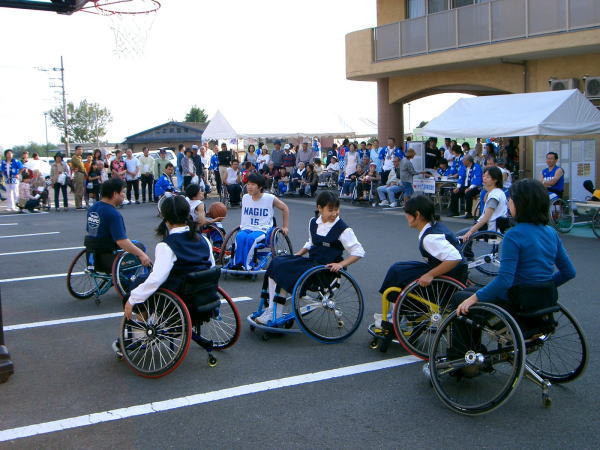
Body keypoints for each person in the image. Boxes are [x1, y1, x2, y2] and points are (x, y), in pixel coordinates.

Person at [451, 178, 575, 319]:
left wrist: (473, 299)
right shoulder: (551, 232)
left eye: (510, 199)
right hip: (545, 296)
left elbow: (505, 280)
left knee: (460, 298)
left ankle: (470, 341)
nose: (508, 202)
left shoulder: (514, 235)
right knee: (472, 290)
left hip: (518, 298)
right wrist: (544, 287)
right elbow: (569, 272)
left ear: (520, 204)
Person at [117, 195, 216, 356]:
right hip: (204, 295)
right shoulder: (204, 239)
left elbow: (157, 279)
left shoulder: (166, 245)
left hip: (179, 298)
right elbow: (211, 267)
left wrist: (132, 299)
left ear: (164, 217)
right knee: (146, 283)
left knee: (138, 285)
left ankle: (140, 334)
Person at [256, 191, 364, 324]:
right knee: (277, 262)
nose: (335, 213)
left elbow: (358, 251)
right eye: (330, 210)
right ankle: (272, 309)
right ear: (319, 208)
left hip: (325, 270)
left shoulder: (343, 229)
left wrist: (341, 264)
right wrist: (298, 254)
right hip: (312, 263)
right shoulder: (313, 222)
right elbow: (311, 243)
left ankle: (275, 313)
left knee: (285, 270)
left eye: (337, 209)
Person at [379, 195, 467, 296]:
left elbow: (455, 258)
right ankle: (394, 307)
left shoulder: (430, 238)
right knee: (399, 268)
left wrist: (430, 275)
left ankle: (397, 306)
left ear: (417, 214)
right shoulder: (434, 225)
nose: (406, 216)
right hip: (449, 271)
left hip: (447, 281)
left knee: (398, 274)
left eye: (407, 213)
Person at [85, 178, 151, 276]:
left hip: (93, 256)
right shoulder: (113, 214)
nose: (124, 195)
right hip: (110, 257)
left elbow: (90, 230)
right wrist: (142, 255)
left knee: (135, 244)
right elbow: (121, 241)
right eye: (123, 192)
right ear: (115, 194)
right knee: (140, 247)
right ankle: (134, 279)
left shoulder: (93, 208)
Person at [231, 173, 289, 271]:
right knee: (239, 237)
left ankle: (247, 265)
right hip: (247, 228)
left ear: (260, 187)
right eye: (248, 184)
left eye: (253, 184)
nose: (249, 187)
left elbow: (285, 208)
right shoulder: (245, 197)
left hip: (263, 230)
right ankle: (237, 263)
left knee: (251, 239)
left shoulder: (269, 198)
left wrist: (285, 226)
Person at [458, 166, 508, 243]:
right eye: (484, 176)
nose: (484, 178)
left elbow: (485, 218)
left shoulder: (494, 197)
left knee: (458, 237)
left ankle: (467, 254)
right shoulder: (496, 192)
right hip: (493, 227)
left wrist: (470, 232)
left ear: (495, 180)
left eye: (488, 177)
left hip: (490, 229)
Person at [71, 145, 86, 210]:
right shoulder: (75, 157)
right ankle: (78, 205)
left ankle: (80, 204)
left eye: (81, 149)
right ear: (76, 150)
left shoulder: (80, 157)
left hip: (81, 174)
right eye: (79, 149)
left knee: (81, 189)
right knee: (78, 189)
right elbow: (81, 166)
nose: (80, 151)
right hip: (78, 173)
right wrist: (85, 172)